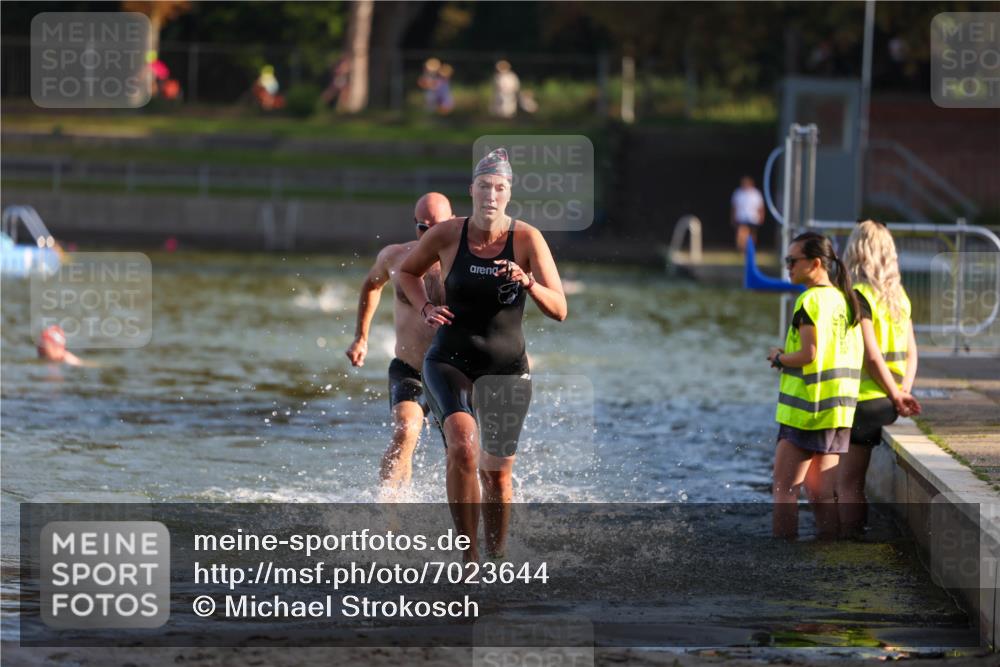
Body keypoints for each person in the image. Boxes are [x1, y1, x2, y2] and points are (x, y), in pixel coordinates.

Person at [398, 148, 567, 561]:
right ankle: (469, 557)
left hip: (506, 368)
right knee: (462, 445)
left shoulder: (527, 238)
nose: (492, 195)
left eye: (500, 188)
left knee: (498, 477)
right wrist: (424, 306)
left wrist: (528, 282)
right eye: (485, 187)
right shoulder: (447, 234)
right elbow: (407, 271)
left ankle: (497, 556)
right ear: (472, 190)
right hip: (449, 361)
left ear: (509, 194)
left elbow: (560, 308)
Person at [346, 194, 455, 492]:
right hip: (410, 367)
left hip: (454, 372)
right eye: (424, 227)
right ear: (415, 225)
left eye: (439, 226)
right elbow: (371, 284)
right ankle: (389, 511)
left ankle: (466, 519)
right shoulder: (394, 257)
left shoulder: (466, 263)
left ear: (454, 222)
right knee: (406, 430)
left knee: (460, 449)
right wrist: (361, 338)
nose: (431, 233)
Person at [767, 232, 862, 540]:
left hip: (805, 411)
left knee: (784, 490)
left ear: (816, 263)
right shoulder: (844, 299)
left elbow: (809, 354)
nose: (788, 267)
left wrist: (780, 358)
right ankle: (829, 554)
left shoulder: (809, 301)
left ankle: (783, 561)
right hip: (837, 413)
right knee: (821, 494)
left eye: (792, 261)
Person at [837, 220, 921, 534]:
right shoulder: (900, 297)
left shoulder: (859, 295)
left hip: (865, 402)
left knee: (847, 484)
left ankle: (847, 539)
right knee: (852, 482)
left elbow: (871, 357)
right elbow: (913, 353)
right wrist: (902, 393)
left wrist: (895, 395)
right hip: (890, 401)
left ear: (856, 250)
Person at [731, 176, 765, 251]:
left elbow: (760, 207)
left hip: (753, 218)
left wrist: (761, 216)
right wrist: (733, 217)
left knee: (752, 234)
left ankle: (750, 249)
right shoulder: (738, 193)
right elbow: (734, 207)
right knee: (742, 233)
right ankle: (742, 249)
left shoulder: (756, 193)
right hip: (742, 217)